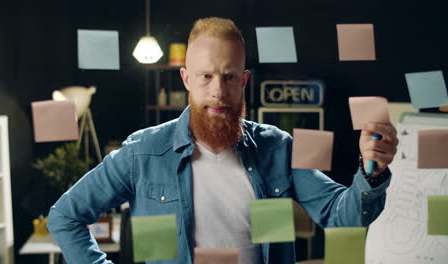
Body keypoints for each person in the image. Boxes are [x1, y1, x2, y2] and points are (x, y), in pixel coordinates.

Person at [47, 17, 398, 264]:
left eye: (229, 77)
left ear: (243, 80)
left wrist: (374, 171)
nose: (218, 91)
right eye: (206, 76)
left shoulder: (279, 147)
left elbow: (342, 218)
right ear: (186, 78)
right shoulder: (142, 152)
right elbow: (64, 217)